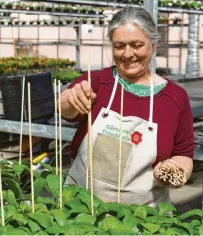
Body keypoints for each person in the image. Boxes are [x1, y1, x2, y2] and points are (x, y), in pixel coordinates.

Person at [60, 6, 195, 207]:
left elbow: (184, 153)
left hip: (144, 218)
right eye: (119, 45)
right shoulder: (98, 82)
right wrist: (68, 99)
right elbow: (67, 110)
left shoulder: (174, 97)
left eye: (137, 45)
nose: (127, 54)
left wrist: (174, 170)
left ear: (153, 45)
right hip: (82, 209)